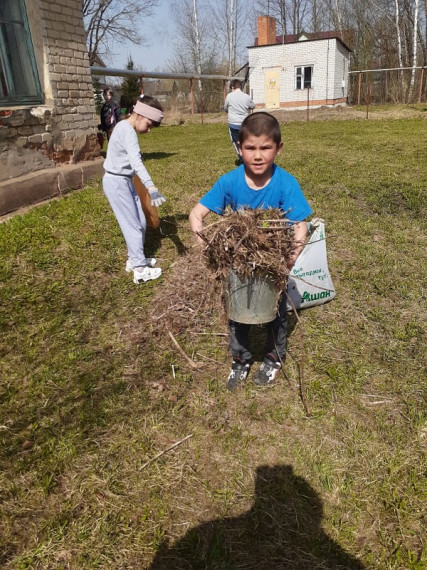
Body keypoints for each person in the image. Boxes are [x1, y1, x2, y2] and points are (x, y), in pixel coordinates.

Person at [189, 112, 312, 390]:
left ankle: (273, 357)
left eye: (265, 148)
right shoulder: (229, 182)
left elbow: (300, 227)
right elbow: (196, 215)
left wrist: (288, 261)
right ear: (240, 148)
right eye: (250, 148)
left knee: (277, 313)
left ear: (278, 148)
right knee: (236, 313)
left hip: (273, 265)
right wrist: (208, 251)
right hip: (239, 263)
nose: (257, 156)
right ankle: (240, 359)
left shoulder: (286, 183)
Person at [103, 95, 167, 284]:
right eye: (149, 124)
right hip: (117, 182)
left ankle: (134, 258)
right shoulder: (127, 131)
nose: (149, 130)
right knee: (132, 225)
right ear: (139, 114)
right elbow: (136, 162)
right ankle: (140, 269)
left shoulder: (124, 127)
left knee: (139, 220)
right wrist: (151, 186)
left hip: (124, 181)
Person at [224, 79, 255, 165]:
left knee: (235, 141)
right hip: (245, 124)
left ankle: (241, 157)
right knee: (246, 141)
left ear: (233, 87)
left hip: (233, 124)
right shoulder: (246, 96)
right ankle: (249, 156)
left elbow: (225, 108)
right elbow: (252, 106)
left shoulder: (229, 96)